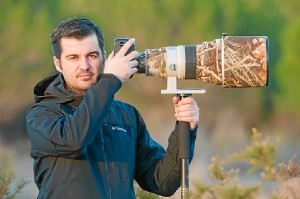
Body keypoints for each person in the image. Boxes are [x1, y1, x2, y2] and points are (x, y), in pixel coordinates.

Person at [26, 17, 200, 199]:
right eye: (73, 57)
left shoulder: (126, 115)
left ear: (105, 56)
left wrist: (185, 128)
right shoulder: (42, 114)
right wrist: (110, 80)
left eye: (92, 55)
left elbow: (162, 182)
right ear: (58, 63)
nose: (84, 66)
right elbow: (73, 140)